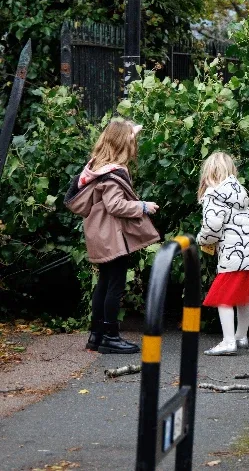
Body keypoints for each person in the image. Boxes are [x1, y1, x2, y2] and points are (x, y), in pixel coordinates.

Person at [65, 119, 160, 354]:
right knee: (114, 285)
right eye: (131, 140)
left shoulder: (97, 167)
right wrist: (143, 207)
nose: (134, 145)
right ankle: (110, 336)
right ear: (123, 144)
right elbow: (115, 205)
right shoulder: (115, 172)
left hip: (99, 234)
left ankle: (96, 337)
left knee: (105, 284)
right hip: (112, 236)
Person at [196, 151, 249, 356]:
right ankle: (240, 335)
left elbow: (212, 228)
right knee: (243, 297)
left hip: (233, 256)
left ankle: (228, 341)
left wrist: (200, 240)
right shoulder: (239, 193)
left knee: (223, 298)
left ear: (209, 173)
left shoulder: (214, 195)